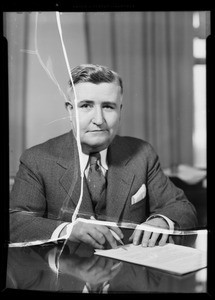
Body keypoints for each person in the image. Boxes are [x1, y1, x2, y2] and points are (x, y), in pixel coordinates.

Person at [10, 64, 198, 249]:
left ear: (120, 111)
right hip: (66, 274)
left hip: (126, 275)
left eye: (108, 107)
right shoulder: (37, 159)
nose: (99, 120)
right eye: (86, 106)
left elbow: (181, 207)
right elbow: (15, 221)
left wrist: (162, 221)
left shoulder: (142, 153)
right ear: (70, 110)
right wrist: (67, 230)